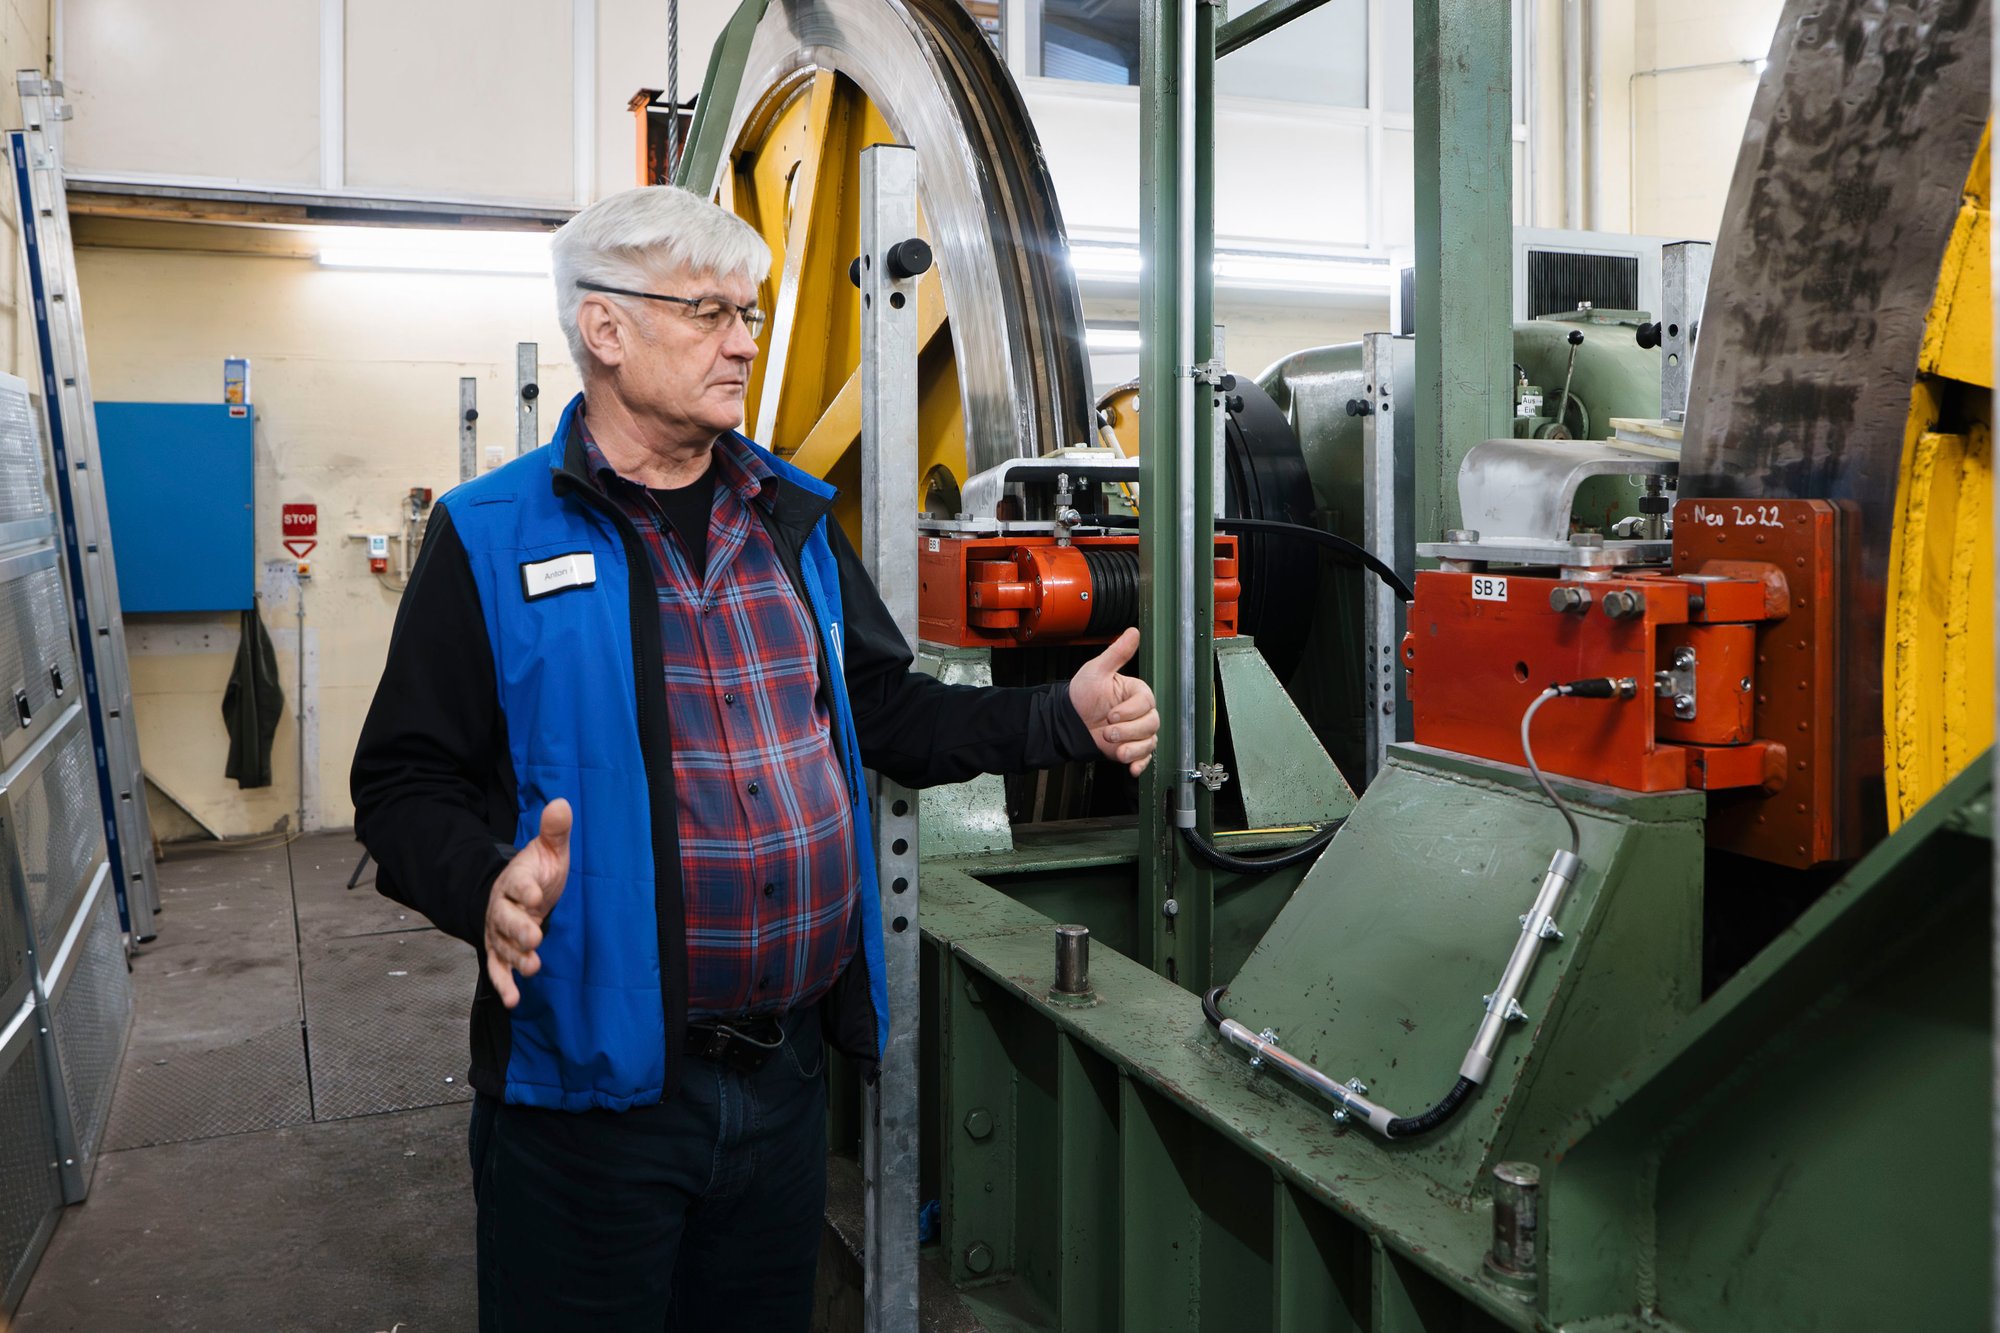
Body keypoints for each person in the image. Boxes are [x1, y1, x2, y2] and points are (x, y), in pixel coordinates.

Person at [349, 185, 1160, 1331]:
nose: (741, 342)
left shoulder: (789, 520)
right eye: (708, 312)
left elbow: (881, 709)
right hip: (590, 1099)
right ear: (604, 327)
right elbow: (400, 783)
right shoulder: (490, 534)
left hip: (781, 1090)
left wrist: (1055, 720)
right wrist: (480, 883)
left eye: (750, 314)